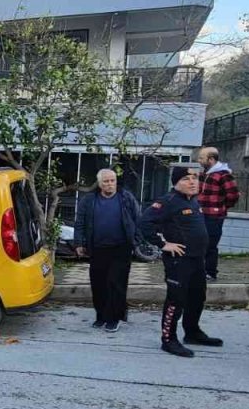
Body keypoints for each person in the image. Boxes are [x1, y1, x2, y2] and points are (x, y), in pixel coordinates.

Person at [139, 163, 223, 358]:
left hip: (197, 260)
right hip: (179, 262)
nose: (192, 182)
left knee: (197, 297)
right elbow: (144, 222)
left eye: (195, 178)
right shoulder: (168, 201)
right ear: (176, 182)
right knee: (176, 300)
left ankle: (192, 332)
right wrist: (163, 244)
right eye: (186, 179)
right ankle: (168, 339)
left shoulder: (193, 200)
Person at [73, 168, 140, 334]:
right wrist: (79, 243)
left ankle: (114, 318)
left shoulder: (126, 197)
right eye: (106, 181)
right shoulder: (89, 200)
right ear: (100, 183)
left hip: (121, 248)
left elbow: (138, 219)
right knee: (99, 284)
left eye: (112, 181)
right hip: (97, 249)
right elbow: (80, 222)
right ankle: (101, 316)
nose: (110, 184)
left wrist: (137, 242)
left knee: (116, 284)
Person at [197, 145, 239, 281]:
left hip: (214, 216)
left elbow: (233, 195)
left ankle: (210, 272)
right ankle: (199, 271)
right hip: (201, 214)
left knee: (210, 245)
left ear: (211, 159)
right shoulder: (204, 174)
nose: (199, 160)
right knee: (200, 243)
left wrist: (221, 207)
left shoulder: (224, 175)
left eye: (201, 158)